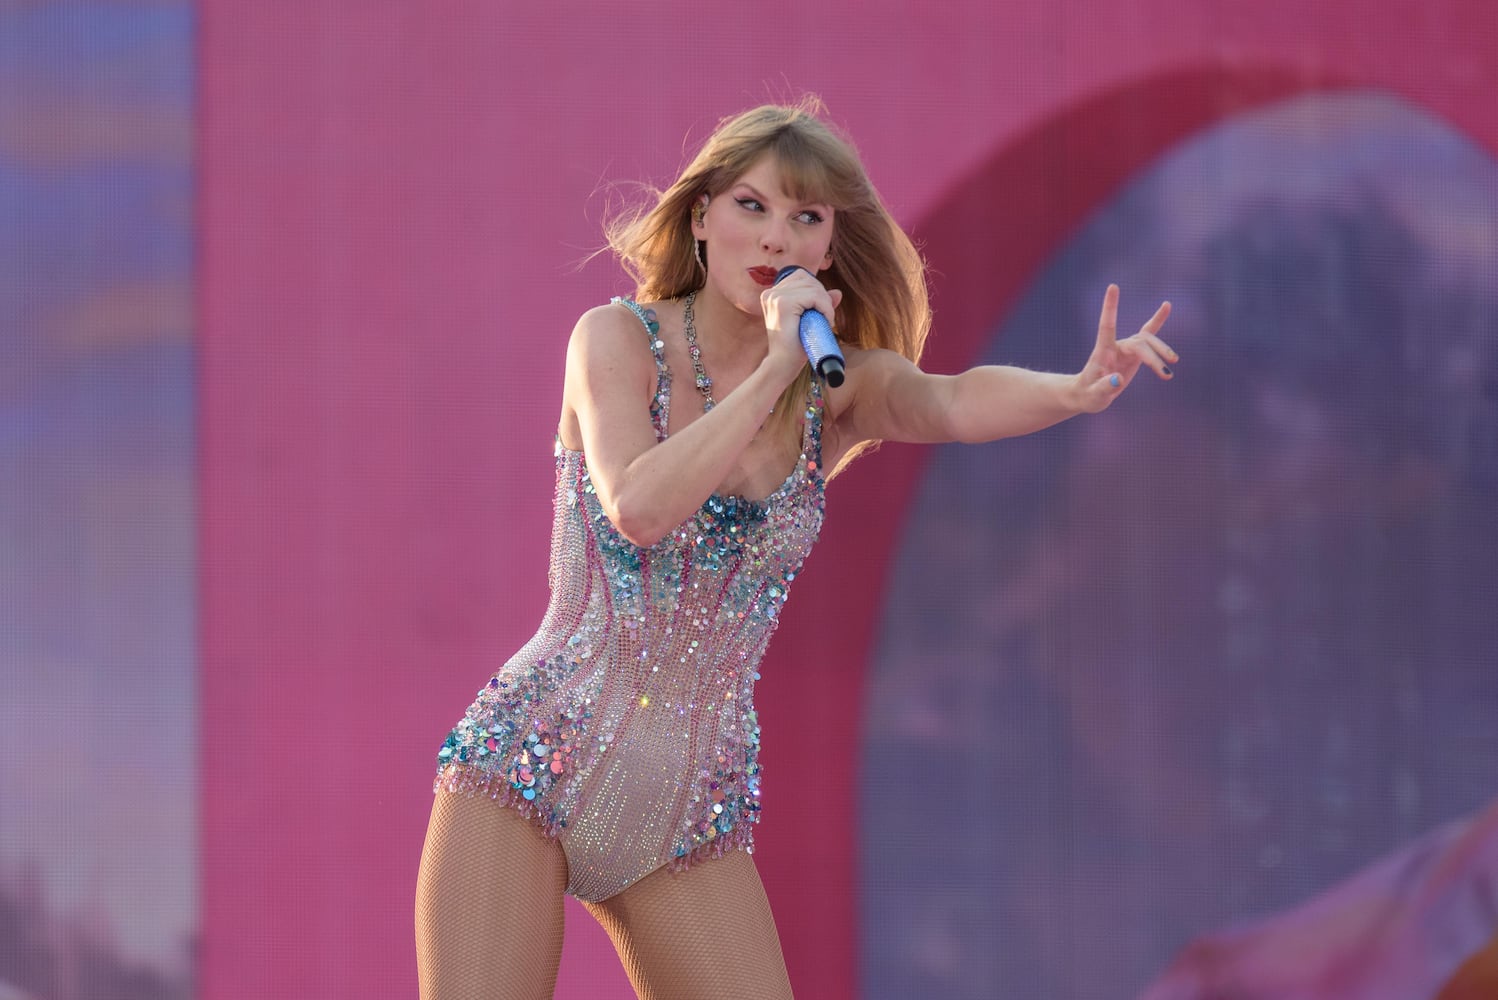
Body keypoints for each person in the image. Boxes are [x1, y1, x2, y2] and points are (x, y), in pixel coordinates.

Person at [414, 100, 1176, 999]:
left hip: (688, 809)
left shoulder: (835, 390)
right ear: (702, 217)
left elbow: (952, 399)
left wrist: (1072, 391)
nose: (776, 235)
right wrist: (777, 364)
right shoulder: (616, 340)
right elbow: (640, 508)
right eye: (753, 206)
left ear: (827, 248)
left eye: (806, 217)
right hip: (533, 758)